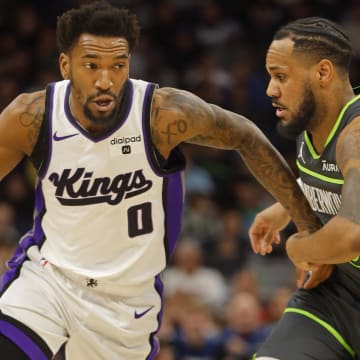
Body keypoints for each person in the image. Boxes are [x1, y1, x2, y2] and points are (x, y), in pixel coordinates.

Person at [0, 2, 321, 359]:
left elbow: (245, 134)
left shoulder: (160, 114)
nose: (105, 80)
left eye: (118, 66)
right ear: (66, 66)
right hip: (49, 282)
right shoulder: (32, 116)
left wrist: (309, 227)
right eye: (91, 66)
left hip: (126, 303)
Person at [249, 16, 360, 360]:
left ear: (322, 73)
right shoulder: (312, 119)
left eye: (281, 76)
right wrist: (285, 206)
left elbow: (351, 236)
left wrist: (301, 249)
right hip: (336, 295)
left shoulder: (355, 137)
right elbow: (330, 177)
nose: (270, 89)